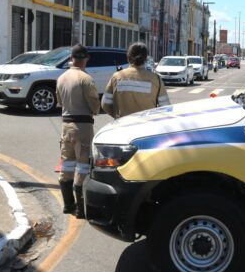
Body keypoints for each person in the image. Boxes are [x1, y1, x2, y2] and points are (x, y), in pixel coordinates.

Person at [56, 44, 100, 218]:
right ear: (86, 59)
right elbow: (94, 106)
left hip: (66, 126)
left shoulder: (61, 78)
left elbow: (60, 101)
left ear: (71, 58)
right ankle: (81, 210)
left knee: (66, 165)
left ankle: (68, 205)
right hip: (83, 127)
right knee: (82, 167)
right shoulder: (86, 79)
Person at [102, 42, 170, 119]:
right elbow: (166, 107)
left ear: (128, 57)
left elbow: (105, 104)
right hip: (146, 124)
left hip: (122, 124)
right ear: (146, 58)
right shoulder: (156, 79)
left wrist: (118, 117)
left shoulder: (116, 77)